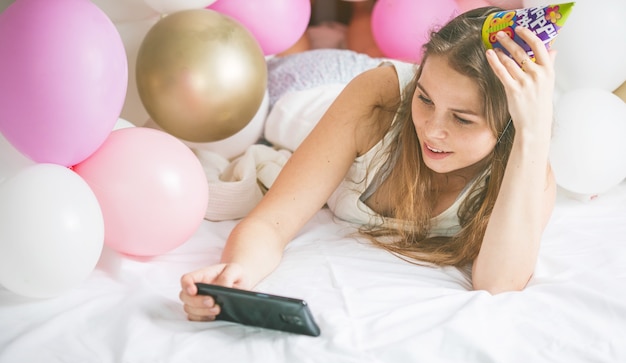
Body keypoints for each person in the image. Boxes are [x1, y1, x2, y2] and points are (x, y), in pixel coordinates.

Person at [180, 6, 557, 321]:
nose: (432, 131)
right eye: (425, 100)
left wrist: (533, 132)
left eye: (462, 119)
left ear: (509, 122)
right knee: (273, 82)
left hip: (364, 86)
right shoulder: (379, 98)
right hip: (308, 89)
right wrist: (237, 273)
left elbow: (499, 283)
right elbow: (272, 220)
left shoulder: (529, 163)